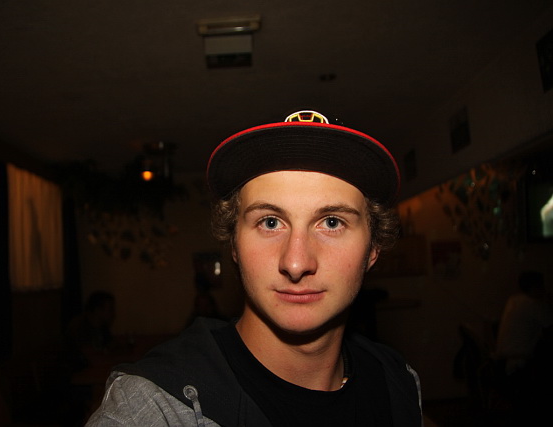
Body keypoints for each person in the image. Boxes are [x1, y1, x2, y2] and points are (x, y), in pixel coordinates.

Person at [86, 110, 423, 426]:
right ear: (233, 243)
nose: (296, 263)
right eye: (270, 222)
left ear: (374, 248)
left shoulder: (398, 382)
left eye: (332, 222)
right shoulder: (154, 406)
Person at [495, 271, 553, 376]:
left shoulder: (513, 300)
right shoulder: (535, 305)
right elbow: (549, 325)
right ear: (536, 287)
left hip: (502, 360)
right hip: (519, 362)